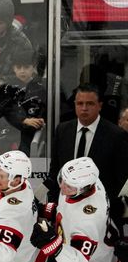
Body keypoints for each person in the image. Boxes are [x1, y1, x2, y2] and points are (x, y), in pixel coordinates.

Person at [30, 157, 120, 262]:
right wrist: (48, 210)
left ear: (84, 188)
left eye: (69, 186)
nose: (62, 187)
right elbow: (69, 210)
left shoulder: (88, 220)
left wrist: (53, 244)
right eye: (62, 180)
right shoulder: (88, 183)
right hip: (90, 252)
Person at [44, 84, 128, 222]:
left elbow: (121, 179)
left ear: (99, 105)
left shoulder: (116, 135)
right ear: (75, 104)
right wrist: (54, 205)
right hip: (65, 210)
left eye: (89, 103)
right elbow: (55, 172)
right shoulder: (63, 130)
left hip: (101, 213)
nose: (84, 108)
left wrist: (111, 210)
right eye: (80, 103)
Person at [0, 48, 46, 156]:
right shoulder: (6, 88)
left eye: (26, 67)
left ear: (34, 67)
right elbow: (5, 109)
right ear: (13, 68)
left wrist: (40, 120)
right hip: (7, 134)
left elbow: (44, 107)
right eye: (18, 67)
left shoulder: (42, 87)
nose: (22, 71)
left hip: (31, 135)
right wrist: (23, 120)